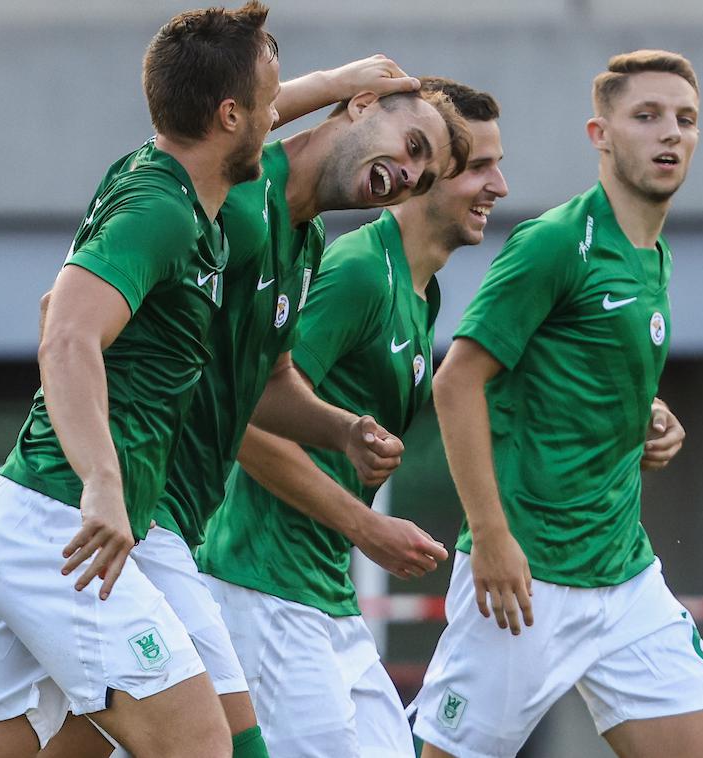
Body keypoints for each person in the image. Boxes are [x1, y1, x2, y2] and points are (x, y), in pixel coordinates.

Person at [50, 61, 470, 758]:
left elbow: (265, 390)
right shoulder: (242, 203)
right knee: (218, 746)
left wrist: (344, 429)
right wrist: (336, 79)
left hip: (158, 523)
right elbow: (64, 319)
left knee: (53, 741)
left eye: (428, 173)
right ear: (360, 104)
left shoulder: (304, 242)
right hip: (126, 521)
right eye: (416, 148)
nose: (411, 174)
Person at [0, 5, 279, 757]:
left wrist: (344, 81)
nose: (280, 117)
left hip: (34, 520)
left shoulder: (161, 177)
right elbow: (65, 331)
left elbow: (59, 301)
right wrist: (102, 481)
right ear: (227, 115)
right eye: (272, 103)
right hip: (66, 528)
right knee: (199, 744)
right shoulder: (161, 212)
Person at [409, 51, 703, 758]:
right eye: (645, 116)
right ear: (601, 134)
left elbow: (582, 361)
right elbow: (457, 381)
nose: (668, 134)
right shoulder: (557, 242)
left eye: (685, 120)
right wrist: (491, 539)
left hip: (627, 576)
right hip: (525, 578)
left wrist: (648, 410)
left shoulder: (653, 252)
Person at [194, 77, 498, 757]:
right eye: (477, 166)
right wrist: (367, 526)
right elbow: (243, 418)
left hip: (323, 594)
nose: (499, 185)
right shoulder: (359, 272)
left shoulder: (422, 297)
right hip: (261, 585)